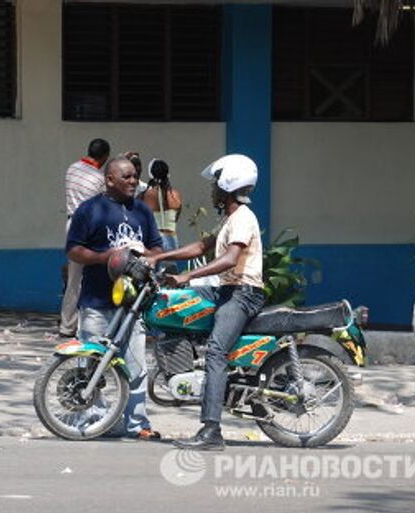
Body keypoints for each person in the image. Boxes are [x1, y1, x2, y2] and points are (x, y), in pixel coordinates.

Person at [149, 154, 265, 451]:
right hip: (224, 291)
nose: (212, 190)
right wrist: (159, 257)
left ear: (228, 184)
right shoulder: (228, 218)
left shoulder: (243, 219)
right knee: (170, 304)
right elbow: (201, 246)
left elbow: (229, 259)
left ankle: (212, 431)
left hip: (243, 293)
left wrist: (188, 276)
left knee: (216, 352)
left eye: (216, 184)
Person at [66, 157, 163, 439]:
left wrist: (147, 258)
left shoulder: (143, 211)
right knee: (91, 364)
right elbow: (73, 250)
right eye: (127, 177)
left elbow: (157, 247)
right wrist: (106, 258)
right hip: (97, 302)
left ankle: (137, 424)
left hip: (133, 306)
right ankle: (94, 420)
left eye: (135, 176)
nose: (134, 181)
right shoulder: (90, 210)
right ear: (109, 179)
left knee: (135, 366)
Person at [59, 138, 110, 338]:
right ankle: (87, 325)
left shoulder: (72, 169)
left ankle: (67, 325)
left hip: (72, 224)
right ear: (105, 157)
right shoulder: (99, 178)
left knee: (74, 279)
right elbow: (107, 200)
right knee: (93, 276)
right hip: (90, 227)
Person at [141, 158, 182, 254]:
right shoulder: (175, 195)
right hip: (172, 238)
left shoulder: (144, 196)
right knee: (171, 267)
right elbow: (176, 218)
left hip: (152, 240)